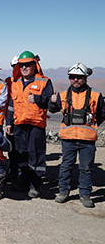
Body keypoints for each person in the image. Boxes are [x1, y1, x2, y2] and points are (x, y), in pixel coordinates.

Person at [49, 63, 105, 208]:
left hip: (87, 139)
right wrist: (52, 101)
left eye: (79, 77)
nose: (75, 80)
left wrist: (91, 125)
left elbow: (102, 113)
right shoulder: (62, 95)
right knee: (66, 166)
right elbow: (52, 109)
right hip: (68, 138)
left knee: (86, 168)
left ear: (85, 78)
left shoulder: (96, 95)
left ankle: (85, 194)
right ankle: (63, 192)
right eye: (72, 77)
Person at [6, 51, 53, 198]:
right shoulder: (15, 83)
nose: (24, 68)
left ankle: (35, 184)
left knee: (36, 155)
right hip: (19, 124)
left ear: (34, 65)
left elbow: (51, 103)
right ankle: (23, 181)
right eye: (22, 65)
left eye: (28, 65)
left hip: (36, 125)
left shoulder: (44, 81)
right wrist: (9, 122)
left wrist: (39, 98)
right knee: (21, 154)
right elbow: (11, 105)